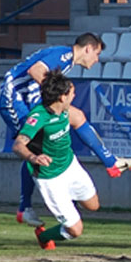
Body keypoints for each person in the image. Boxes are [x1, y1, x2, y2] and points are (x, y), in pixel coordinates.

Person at [0, 33, 131, 227]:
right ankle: (25, 208)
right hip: (14, 100)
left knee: (78, 117)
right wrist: (55, 96)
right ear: (88, 49)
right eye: (97, 54)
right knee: (33, 147)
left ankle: (111, 162)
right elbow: (35, 69)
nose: (97, 59)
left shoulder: (66, 59)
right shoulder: (64, 56)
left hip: (29, 98)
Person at [11, 71, 100, 250]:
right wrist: (33, 157)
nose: (74, 95)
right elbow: (18, 145)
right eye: (71, 92)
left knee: (93, 205)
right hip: (50, 178)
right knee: (75, 231)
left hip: (70, 166)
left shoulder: (65, 110)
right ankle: (44, 236)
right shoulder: (39, 117)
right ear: (61, 97)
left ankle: (67, 205)